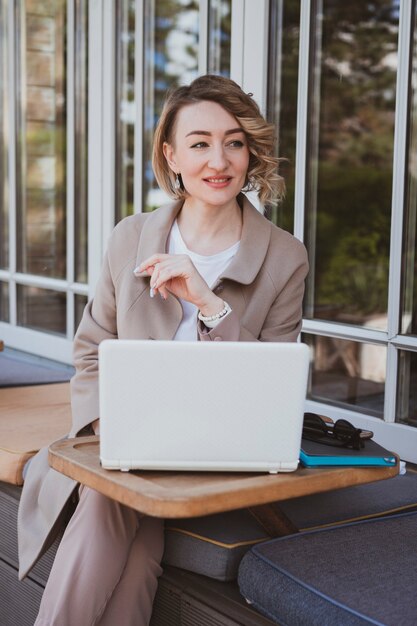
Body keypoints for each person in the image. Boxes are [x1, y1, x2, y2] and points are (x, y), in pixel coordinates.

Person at [17, 74, 309, 625]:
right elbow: (90, 352)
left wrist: (208, 303)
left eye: (234, 141)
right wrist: (112, 431)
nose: (217, 160)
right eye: (199, 143)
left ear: (250, 152)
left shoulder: (285, 258)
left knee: (113, 506)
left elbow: (266, 390)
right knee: (134, 543)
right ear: (171, 155)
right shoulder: (130, 236)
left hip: (219, 454)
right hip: (122, 445)